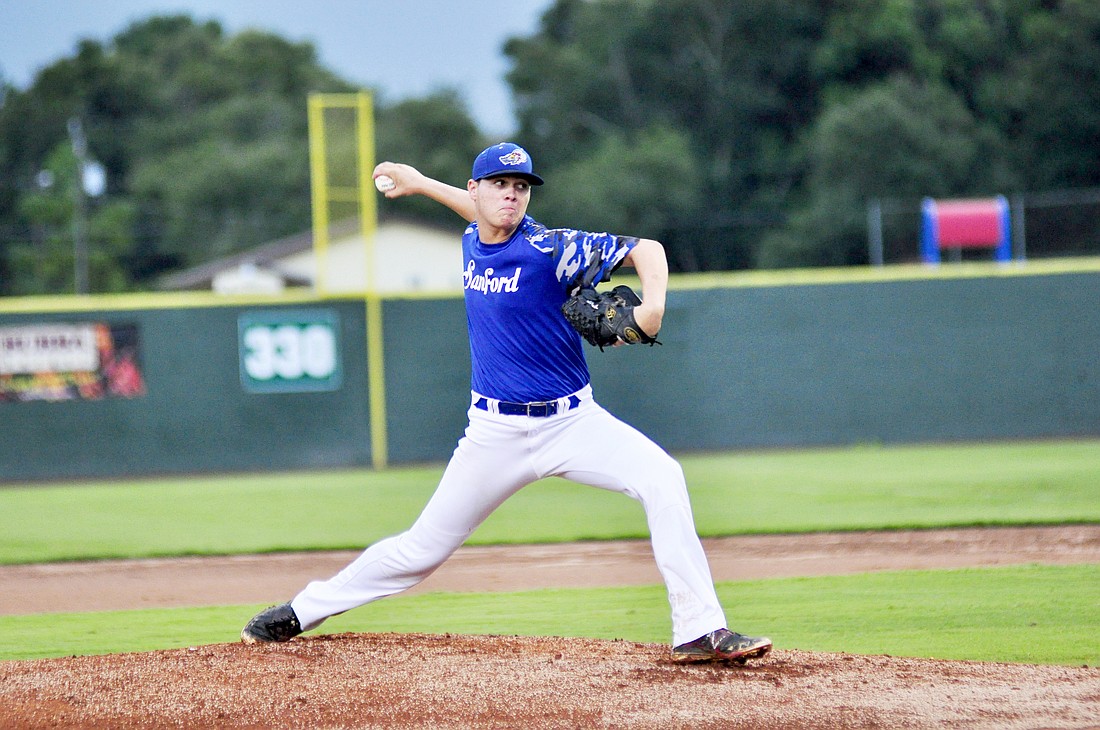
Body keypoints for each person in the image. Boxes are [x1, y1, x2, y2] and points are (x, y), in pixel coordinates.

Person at [241, 142, 772, 664]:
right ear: (477, 190)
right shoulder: (473, 233)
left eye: (521, 187)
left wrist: (652, 309)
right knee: (419, 551)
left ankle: (699, 630)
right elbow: (470, 210)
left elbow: (648, 250)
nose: (512, 196)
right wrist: (420, 181)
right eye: (500, 184)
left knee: (663, 478)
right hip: (492, 434)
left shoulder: (552, 248)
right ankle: (302, 611)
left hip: (573, 422)